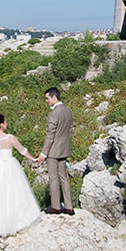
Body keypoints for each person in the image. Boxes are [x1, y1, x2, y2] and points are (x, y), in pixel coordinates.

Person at [35, 87, 74, 215]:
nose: (46, 101)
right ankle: (69, 206)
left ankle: (56, 206)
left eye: (47, 98)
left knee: (53, 178)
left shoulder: (54, 114)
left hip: (53, 151)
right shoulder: (68, 111)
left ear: (54, 98)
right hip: (65, 149)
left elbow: (50, 135)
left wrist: (43, 153)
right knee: (64, 177)